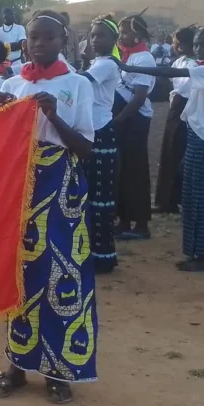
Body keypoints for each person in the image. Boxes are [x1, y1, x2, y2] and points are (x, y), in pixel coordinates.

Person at [0, 9, 96, 405]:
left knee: (61, 275)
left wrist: (55, 115)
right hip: (20, 188)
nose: (40, 44)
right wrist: (1, 117)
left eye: (48, 37)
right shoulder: (13, 84)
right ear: (25, 42)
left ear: (62, 40)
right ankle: (17, 364)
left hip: (61, 188)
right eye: (34, 37)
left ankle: (58, 371)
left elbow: (85, 148)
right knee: (20, 275)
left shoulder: (77, 85)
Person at [114, 24, 204, 272]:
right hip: (199, 134)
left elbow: (169, 72)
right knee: (193, 196)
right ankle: (198, 253)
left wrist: (129, 67)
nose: (199, 48)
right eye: (197, 44)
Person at [81, 15, 123, 273]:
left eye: (101, 36)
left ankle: (102, 255)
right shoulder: (98, 62)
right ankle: (95, 251)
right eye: (93, 35)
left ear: (113, 41)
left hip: (100, 131)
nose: (95, 40)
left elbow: (80, 82)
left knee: (99, 197)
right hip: (92, 129)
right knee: (92, 194)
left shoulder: (107, 65)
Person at [111, 13, 155, 240]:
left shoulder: (144, 58)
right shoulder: (126, 56)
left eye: (125, 32)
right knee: (123, 169)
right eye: (120, 32)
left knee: (135, 170)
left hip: (134, 119)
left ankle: (141, 224)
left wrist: (119, 120)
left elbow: (139, 97)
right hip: (123, 117)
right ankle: (124, 220)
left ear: (137, 34)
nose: (121, 36)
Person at [153, 27, 198, 214]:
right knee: (169, 152)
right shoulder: (179, 61)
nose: (175, 46)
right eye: (175, 43)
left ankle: (177, 199)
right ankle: (167, 199)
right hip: (175, 106)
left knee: (178, 153)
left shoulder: (195, 65)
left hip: (186, 109)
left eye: (178, 43)